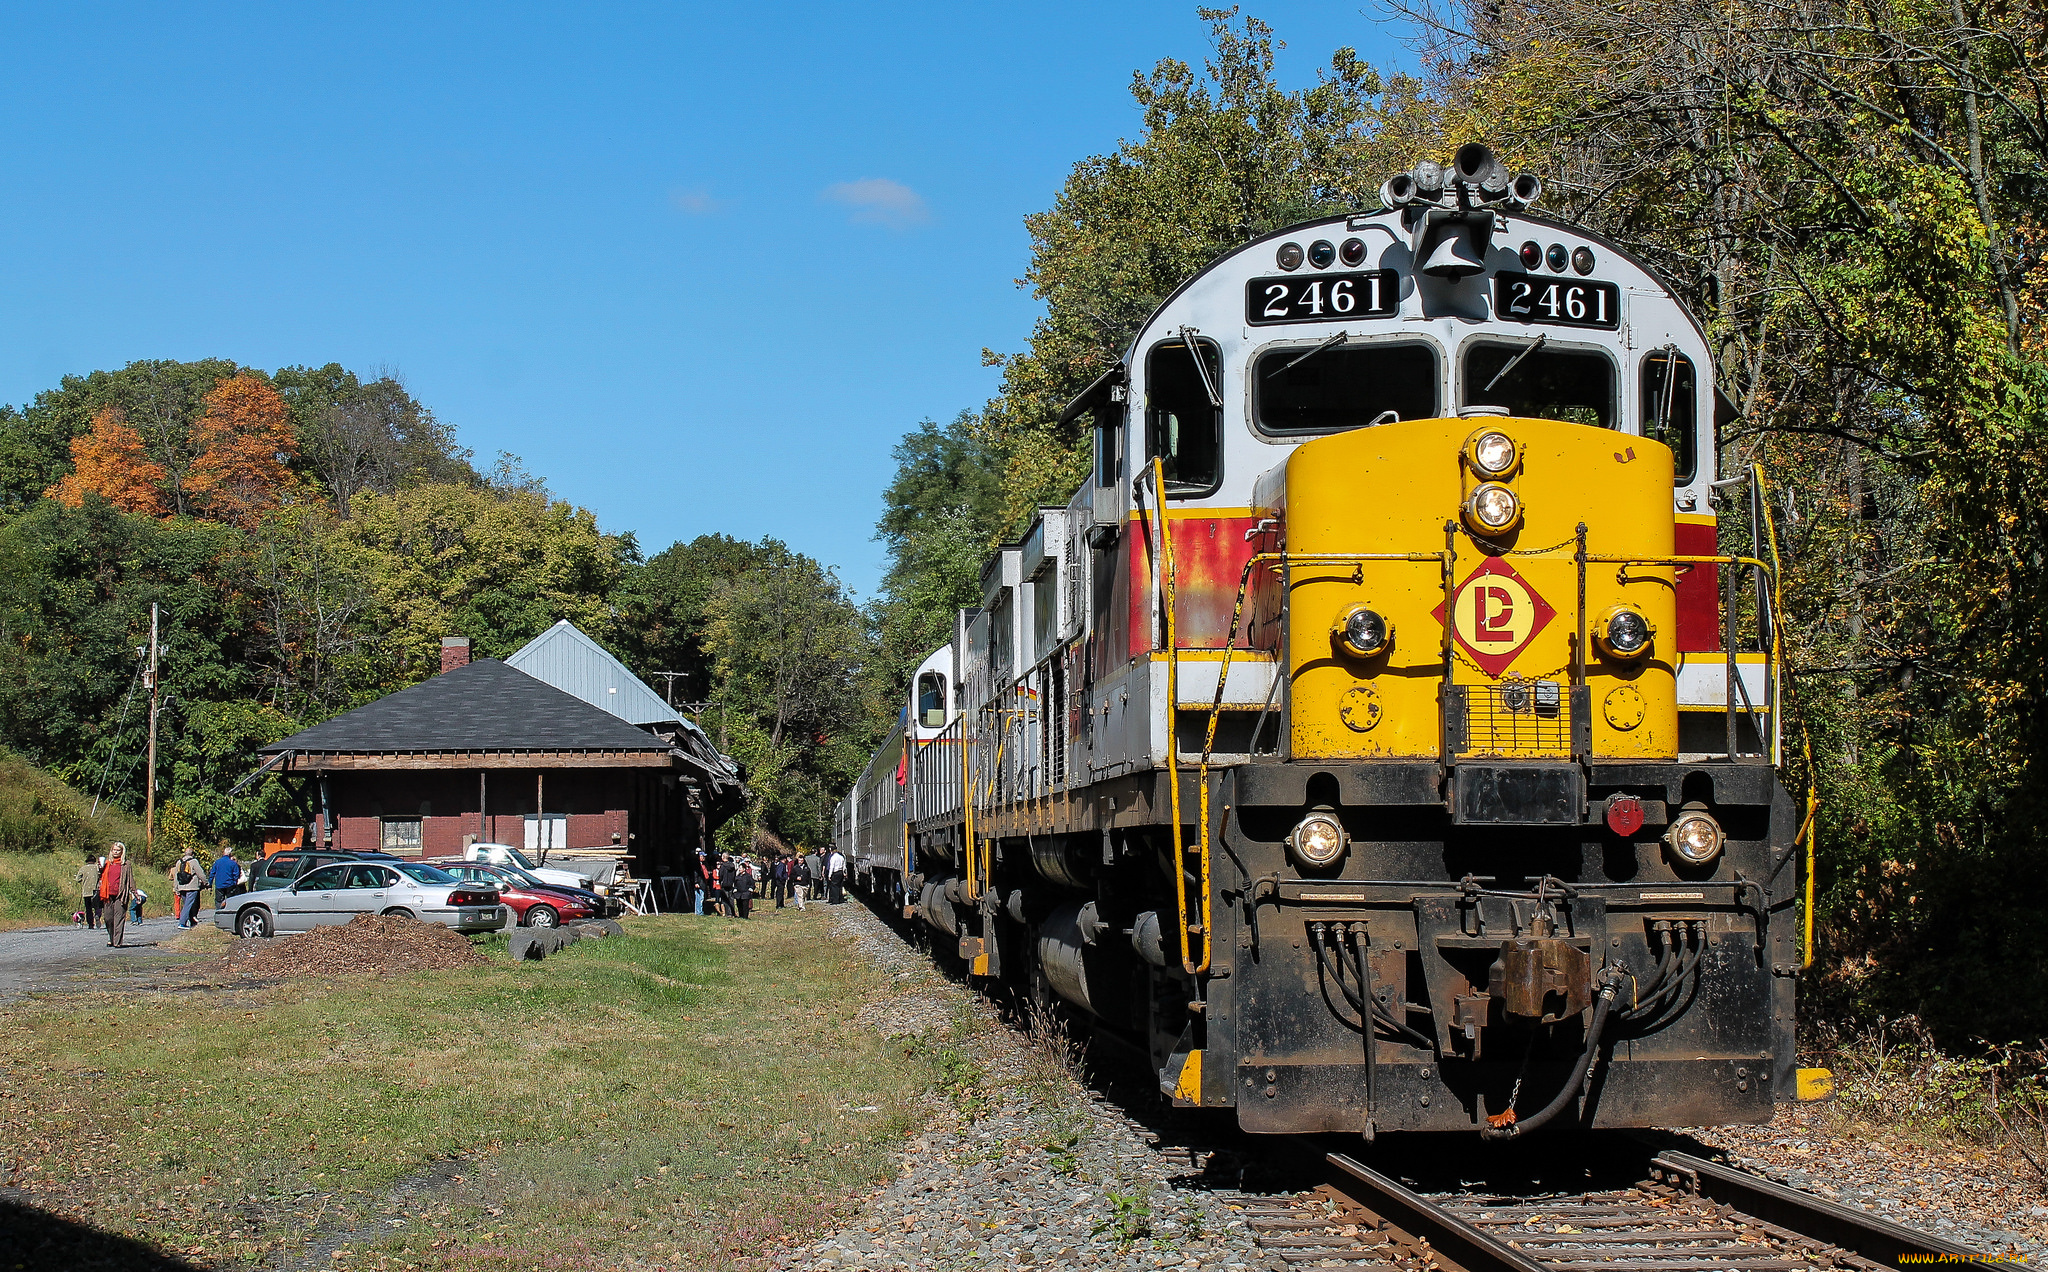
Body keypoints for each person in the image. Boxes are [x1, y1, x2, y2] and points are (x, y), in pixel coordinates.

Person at [99, 843, 135, 947]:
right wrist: (99, 868)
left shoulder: (126, 864)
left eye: (118, 850)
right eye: (114, 850)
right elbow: (100, 876)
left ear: (122, 852)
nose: (115, 852)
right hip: (107, 894)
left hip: (121, 894)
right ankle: (111, 937)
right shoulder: (106, 863)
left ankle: (117, 942)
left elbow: (130, 879)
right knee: (108, 918)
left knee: (119, 918)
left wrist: (134, 893)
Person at [171, 848, 204, 928]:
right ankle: (182, 923)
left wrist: (176, 888)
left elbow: (176, 876)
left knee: (186, 904)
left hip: (181, 886)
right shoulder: (194, 861)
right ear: (192, 854)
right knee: (188, 905)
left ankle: (191, 922)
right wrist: (205, 882)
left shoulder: (179, 862)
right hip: (192, 886)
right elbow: (200, 873)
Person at [75, 850, 103, 930]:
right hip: (96, 891)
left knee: (88, 909)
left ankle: (91, 924)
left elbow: (77, 879)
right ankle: (97, 915)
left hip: (86, 892)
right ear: (94, 861)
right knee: (98, 907)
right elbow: (101, 876)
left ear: (87, 861)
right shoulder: (97, 868)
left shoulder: (83, 868)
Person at [732, 854, 755, 920]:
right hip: (738, 893)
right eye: (739, 868)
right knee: (739, 905)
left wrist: (750, 889)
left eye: (741, 868)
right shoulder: (738, 876)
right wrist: (735, 889)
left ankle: (745, 916)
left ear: (744, 869)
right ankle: (741, 916)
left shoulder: (748, 876)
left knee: (745, 906)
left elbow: (752, 883)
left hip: (745, 893)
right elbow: (735, 883)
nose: (739, 869)